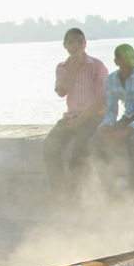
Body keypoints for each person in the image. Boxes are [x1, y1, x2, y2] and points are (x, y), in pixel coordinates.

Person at [44, 28, 107, 194]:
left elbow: (101, 100)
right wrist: (75, 68)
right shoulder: (63, 68)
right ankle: (59, 191)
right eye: (71, 42)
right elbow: (61, 91)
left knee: (80, 145)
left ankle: (74, 193)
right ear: (65, 45)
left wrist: (80, 121)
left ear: (85, 44)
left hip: (93, 117)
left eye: (79, 42)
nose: (75, 46)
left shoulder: (96, 66)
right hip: (72, 116)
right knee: (50, 144)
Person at [92, 44, 134, 188]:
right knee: (97, 139)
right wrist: (107, 126)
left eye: (132, 57)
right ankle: (105, 185)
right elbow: (111, 110)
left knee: (133, 140)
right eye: (125, 58)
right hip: (129, 117)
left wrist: (127, 131)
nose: (130, 61)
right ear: (116, 61)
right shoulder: (112, 79)